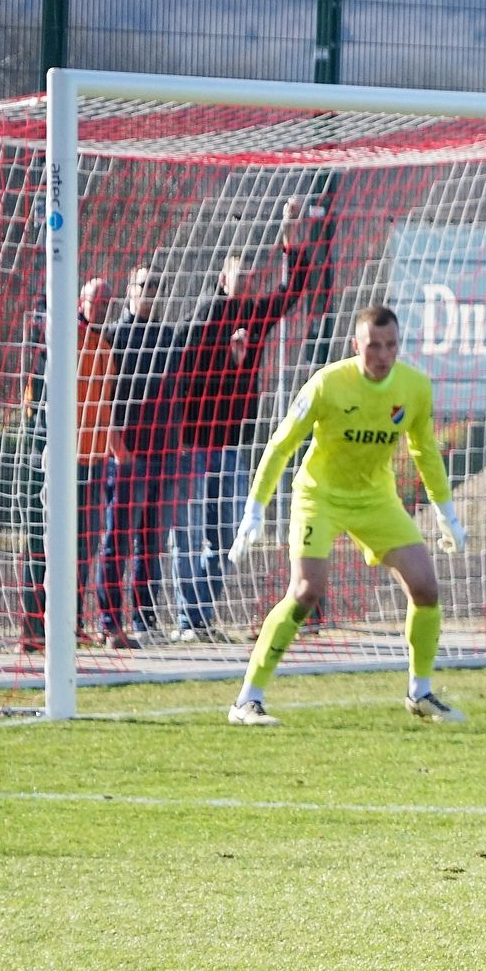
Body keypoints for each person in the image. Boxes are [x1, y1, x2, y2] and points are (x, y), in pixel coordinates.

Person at [224, 305, 466, 727]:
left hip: (376, 499)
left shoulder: (414, 387)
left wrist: (446, 511)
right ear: (356, 345)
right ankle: (247, 699)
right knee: (306, 591)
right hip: (319, 496)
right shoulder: (328, 383)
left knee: (426, 587)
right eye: (374, 346)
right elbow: (281, 445)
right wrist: (254, 508)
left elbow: (425, 451)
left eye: (391, 345)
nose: (383, 355)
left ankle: (420, 692)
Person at [172, 198, 317, 642]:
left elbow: (293, 289)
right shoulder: (205, 317)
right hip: (195, 445)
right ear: (223, 279)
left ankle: (200, 617)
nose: (249, 282)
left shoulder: (256, 315)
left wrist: (290, 232)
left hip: (231, 444)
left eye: (253, 277)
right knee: (189, 535)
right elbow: (181, 368)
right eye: (241, 275)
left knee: (226, 539)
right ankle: (188, 621)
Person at [20, 277, 130, 651]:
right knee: (44, 539)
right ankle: (33, 628)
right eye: (95, 300)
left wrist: (114, 448)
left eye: (107, 302)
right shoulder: (60, 339)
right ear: (80, 301)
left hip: (93, 459)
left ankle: (71, 622)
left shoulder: (106, 347)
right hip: (58, 458)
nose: (101, 307)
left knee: (83, 545)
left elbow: (106, 404)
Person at [100, 262, 182, 643]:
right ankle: (110, 622)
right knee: (117, 540)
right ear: (130, 288)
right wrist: (117, 447)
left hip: (162, 455)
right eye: (145, 284)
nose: (151, 291)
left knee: (151, 544)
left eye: (157, 286)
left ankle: (145, 620)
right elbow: (105, 398)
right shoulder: (115, 336)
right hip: (127, 456)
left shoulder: (169, 337)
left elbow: (176, 394)